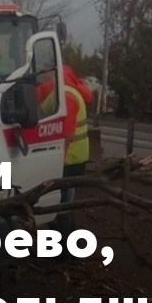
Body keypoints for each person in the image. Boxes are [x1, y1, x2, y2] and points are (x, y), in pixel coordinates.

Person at [58, 65, 92, 231]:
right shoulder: (71, 91)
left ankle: (65, 240)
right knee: (66, 198)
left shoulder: (66, 95)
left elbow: (68, 134)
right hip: (76, 157)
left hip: (69, 159)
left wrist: (59, 159)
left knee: (63, 203)